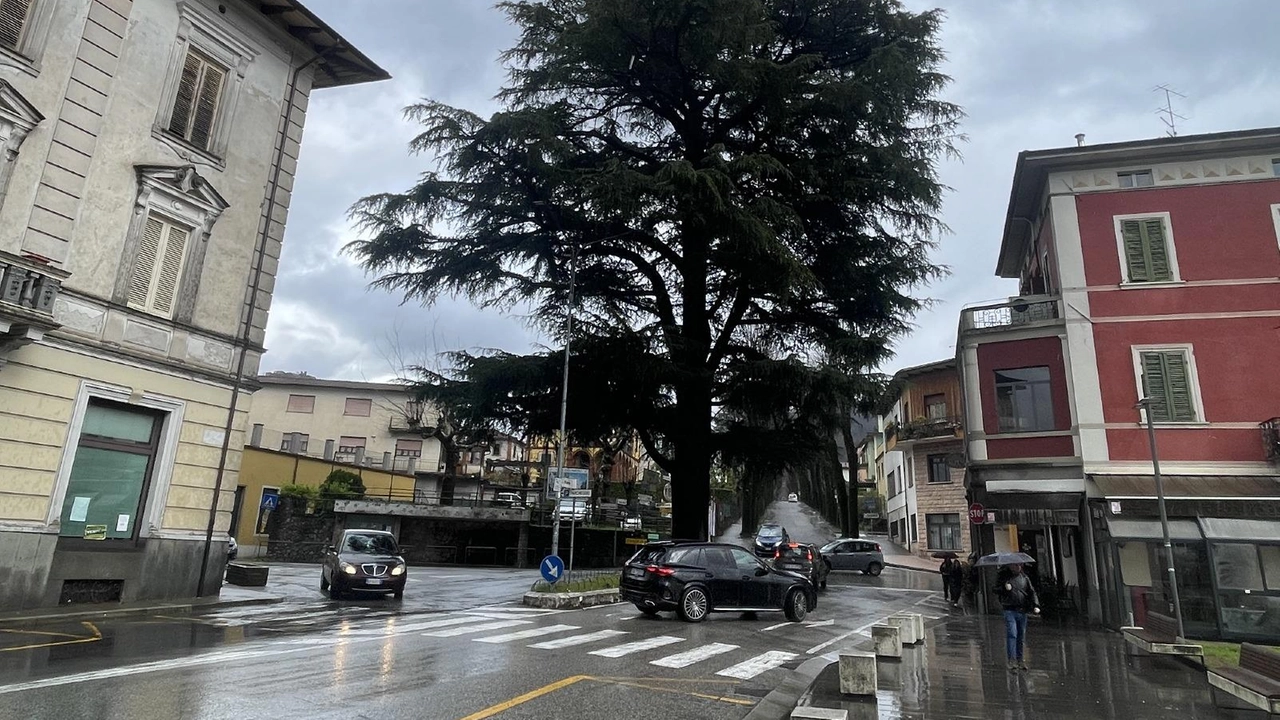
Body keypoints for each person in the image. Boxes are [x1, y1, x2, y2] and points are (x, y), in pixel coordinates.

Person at [995, 563, 1040, 671]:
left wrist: (1036, 604)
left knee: (1021, 635)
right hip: (1009, 609)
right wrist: (1004, 588)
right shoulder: (1004, 577)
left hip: (1022, 610)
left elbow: (1031, 591)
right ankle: (1011, 659)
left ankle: (1020, 659)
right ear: (1010, 566)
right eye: (1015, 565)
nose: (1017, 567)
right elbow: (995, 589)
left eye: (1019, 565)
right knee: (1012, 634)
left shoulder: (1025, 578)